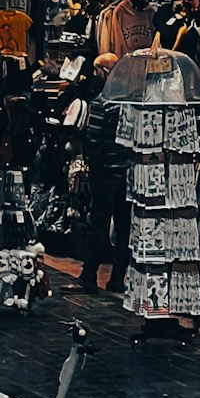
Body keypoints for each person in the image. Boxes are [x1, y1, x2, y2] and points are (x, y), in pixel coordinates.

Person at [78, 68, 130, 293]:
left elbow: (94, 138)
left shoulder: (102, 102)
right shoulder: (130, 103)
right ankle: (117, 278)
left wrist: (93, 158)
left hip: (105, 171)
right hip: (126, 171)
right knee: (124, 226)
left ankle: (89, 276)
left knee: (98, 223)